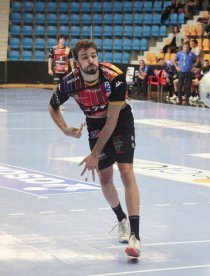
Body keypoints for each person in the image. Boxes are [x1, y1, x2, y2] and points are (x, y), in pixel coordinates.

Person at [47, 40, 141, 259]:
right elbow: (52, 107)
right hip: (94, 124)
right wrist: (65, 130)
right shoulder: (69, 83)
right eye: (84, 57)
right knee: (105, 179)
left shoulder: (114, 77)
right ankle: (122, 220)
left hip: (120, 121)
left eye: (93, 56)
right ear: (76, 62)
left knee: (126, 171)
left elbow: (112, 120)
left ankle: (136, 237)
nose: (91, 61)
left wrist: (94, 154)